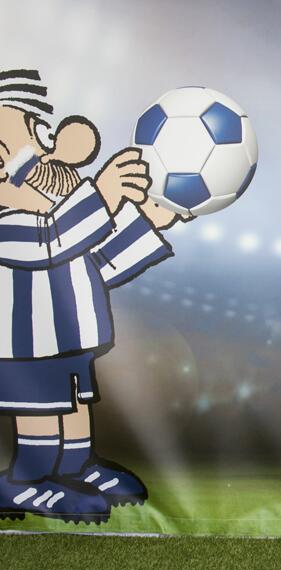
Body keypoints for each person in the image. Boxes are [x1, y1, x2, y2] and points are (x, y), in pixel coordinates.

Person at [0, 69, 183, 523]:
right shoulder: (8, 221)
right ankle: (28, 481)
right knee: (41, 409)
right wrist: (102, 194)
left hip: (70, 337)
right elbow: (51, 241)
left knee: (75, 402)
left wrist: (148, 222)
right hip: (27, 346)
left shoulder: (60, 217)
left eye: (37, 144)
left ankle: (76, 465)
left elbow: (99, 262)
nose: (36, 163)